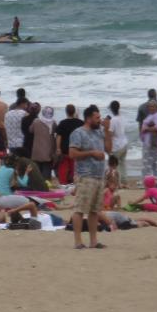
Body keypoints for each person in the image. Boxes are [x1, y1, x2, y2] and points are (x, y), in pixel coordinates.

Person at [69, 105, 112, 250]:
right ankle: (78, 241)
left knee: (94, 210)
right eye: (97, 118)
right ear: (88, 118)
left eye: (100, 117)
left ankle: (94, 241)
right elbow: (72, 154)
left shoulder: (100, 131)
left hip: (99, 176)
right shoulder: (78, 133)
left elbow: (109, 149)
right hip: (85, 176)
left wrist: (107, 130)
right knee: (80, 209)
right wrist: (91, 153)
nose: (100, 120)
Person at [139, 101, 157, 179]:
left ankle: (151, 180)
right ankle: (150, 180)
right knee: (150, 163)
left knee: (152, 163)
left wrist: (146, 129)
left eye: (153, 106)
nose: (151, 108)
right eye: (150, 106)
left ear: (156, 107)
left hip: (153, 144)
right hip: (148, 143)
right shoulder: (151, 115)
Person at [29, 106, 57, 178]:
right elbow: (56, 132)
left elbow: (30, 130)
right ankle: (45, 186)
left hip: (37, 150)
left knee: (37, 172)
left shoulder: (36, 121)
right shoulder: (53, 123)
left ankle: (38, 186)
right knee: (46, 172)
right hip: (48, 150)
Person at [107, 101, 128, 184]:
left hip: (117, 146)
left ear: (111, 109)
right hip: (124, 143)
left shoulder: (113, 120)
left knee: (115, 165)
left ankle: (117, 182)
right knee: (123, 163)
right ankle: (124, 181)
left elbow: (110, 134)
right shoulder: (122, 117)